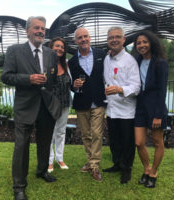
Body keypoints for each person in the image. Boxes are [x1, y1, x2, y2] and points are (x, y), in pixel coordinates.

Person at [1, 16, 61, 200]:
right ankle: (19, 186)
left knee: (45, 141)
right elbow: (6, 77)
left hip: (46, 106)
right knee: (21, 146)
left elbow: (53, 79)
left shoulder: (51, 54)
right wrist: (29, 79)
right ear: (27, 31)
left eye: (43, 28)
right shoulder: (15, 51)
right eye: (36, 28)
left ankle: (42, 171)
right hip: (25, 106)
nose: (40, 31)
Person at [103, 27, 141, 184]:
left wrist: (119, 89)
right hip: (111, 109)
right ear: (108, 40)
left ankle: (126, 169)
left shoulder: (130, 61)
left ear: (124, 40)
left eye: (117, 37)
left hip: (126, 110)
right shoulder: (107, 59)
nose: (114, 40)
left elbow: (136, 87)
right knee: (115, 140)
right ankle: (117, 164)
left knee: (127, 142)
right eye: (111, 37)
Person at [68, 27, 106, 182]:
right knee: (86, 135)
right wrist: (74, 86)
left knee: (97, 134)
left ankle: (95, 166)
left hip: (98, 101)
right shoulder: (71, 62)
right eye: (80, 38)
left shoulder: (101, 54)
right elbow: (70, 84)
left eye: (85, 36)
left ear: (89, 38)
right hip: (82, 102)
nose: (83, 39)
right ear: (75, 41)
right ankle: (90, 161)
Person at [134, 30, 168, 188]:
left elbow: (162, 91)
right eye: (139, 43)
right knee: (139, 142)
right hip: (140, 107)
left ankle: (153, 172)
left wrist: (158, 115)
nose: (141, 45)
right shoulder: (137, 61)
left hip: (155, 108)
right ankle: (146, 168)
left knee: (157, 142)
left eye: (144, 42)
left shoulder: (160, 62)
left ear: (151, 43)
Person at [48, 37, 71, 173]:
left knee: (61, 132)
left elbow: (71, 84)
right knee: (50, 133)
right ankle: (50, 161)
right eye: (57, 46)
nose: (59, 49)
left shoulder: (67, 64)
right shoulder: (46, 64)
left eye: (62, 47)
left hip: (65, 103)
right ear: (51, 47)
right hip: (50, 105)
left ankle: (60, 158)